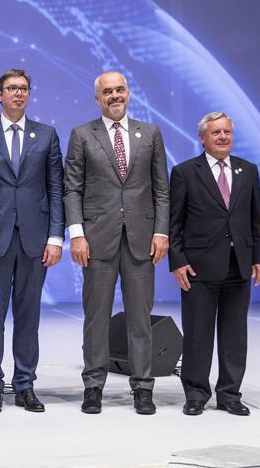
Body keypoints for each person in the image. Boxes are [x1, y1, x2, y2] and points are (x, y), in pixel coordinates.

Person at [64, 71, 169, 415]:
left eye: (119, 90)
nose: (114, 96)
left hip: (141, 240)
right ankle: (93, 386)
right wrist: (77, 234)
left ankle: (143, 387)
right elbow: (72, 189)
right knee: (96, 318)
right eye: (107, 92)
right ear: (97, 98)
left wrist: (161, 232)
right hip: (96, 241)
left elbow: (161, 189)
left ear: (128, 93)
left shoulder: (150, 133)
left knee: (140, 319)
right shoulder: (82, 135)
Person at [0, 69, 64, 414]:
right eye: (11, 88)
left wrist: (56, 237)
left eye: (23, 88)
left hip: (35, 239)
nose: (18, 93)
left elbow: (55, 189)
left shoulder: (47, 135)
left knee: (28, 316)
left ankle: (25, 384)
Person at [168, 112, 260, 416]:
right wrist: (178, 261)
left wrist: (259, 257)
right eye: (216, 132)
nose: (223, 137)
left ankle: (229, 395)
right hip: (198, 267)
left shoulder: (248, 170)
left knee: (235, 335)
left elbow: (256, 219)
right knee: (197, 335)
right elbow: (174, 223)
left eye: (227, 132)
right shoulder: (185, 172)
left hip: (239, 265)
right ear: (203, 138)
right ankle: (196, 394)